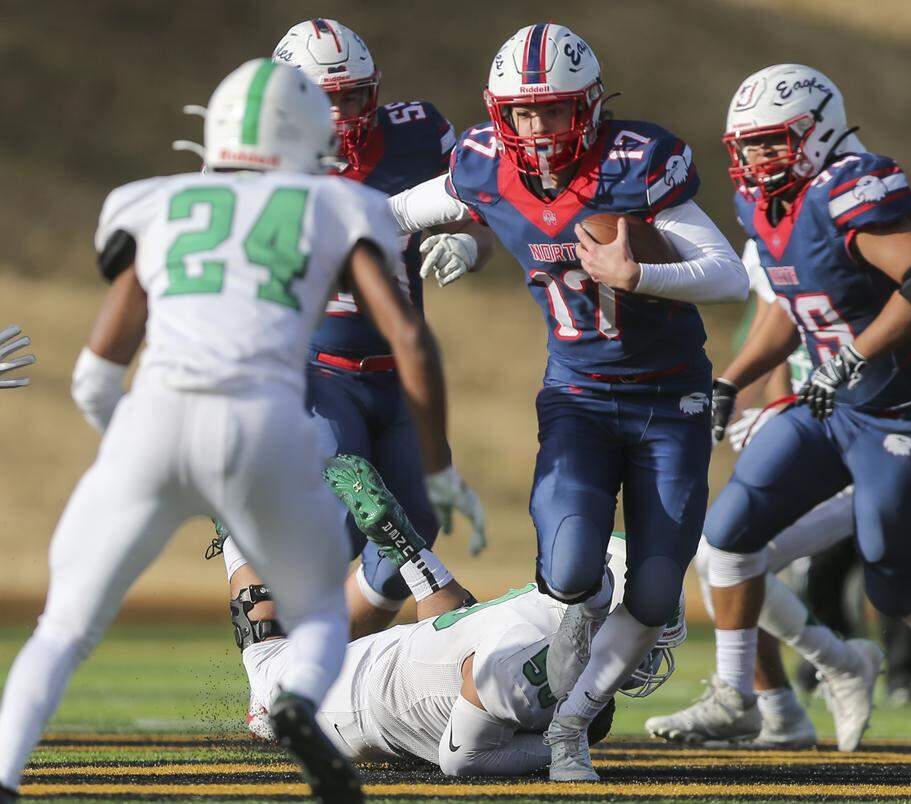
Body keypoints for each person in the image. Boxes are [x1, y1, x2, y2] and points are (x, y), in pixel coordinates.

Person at [0, 58, 455, 802]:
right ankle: (295, 706)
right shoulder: (340, 208)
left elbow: (91, 377)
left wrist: (131, 452)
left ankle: (4, 775)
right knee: (311, 622)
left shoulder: (153, 203)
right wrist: (438, 466)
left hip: (154, 422)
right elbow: (406, 334)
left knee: (64, 628)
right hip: (262, 426)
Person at [386, 23, 748, 780]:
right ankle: (568, 689)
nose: (538, 128)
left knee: (652, 598)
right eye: (523, 113)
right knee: (575, 570)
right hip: (579, 397)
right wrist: (458, 242)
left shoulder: (635, 160)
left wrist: (638, 273)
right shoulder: (484, 166)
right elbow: (393, 213)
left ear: (587, 107)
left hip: (669, 401)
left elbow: (727, 275)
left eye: (553, 111)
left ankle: (572, 725)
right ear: (500, 114)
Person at [661, 64, 911, 761]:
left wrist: (855, 355)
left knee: (894, 582)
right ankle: (739, 695)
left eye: (771, 142)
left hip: (907, 416)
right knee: (726, 537)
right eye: (748, 145)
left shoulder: (852, 184)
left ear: (816, 133)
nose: (757, 159)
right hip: (830, 408)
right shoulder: (766, 205)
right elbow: (791, 311)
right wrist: (732, 379)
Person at [206, 19, 492, 650]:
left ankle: (316, 666)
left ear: (375, 92)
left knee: (404, 543)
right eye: (322, 97)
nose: (339, 113)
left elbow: (491, 212)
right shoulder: (253, 162)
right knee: (338, 521)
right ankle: (248, 566)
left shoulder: (421, 135)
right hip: (315, 369)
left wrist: (468, 247)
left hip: (397, 372)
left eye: (353, 95)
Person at [232, 454, 683, 776]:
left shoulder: (552, 610)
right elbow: (462, 759)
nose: (649, 646)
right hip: (339, 705)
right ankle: (233, 517)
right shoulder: (531, 666)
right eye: (647, 627)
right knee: (266, 665)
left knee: (457, 634)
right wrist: (567, 740)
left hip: (411, 656)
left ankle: (403, 545)